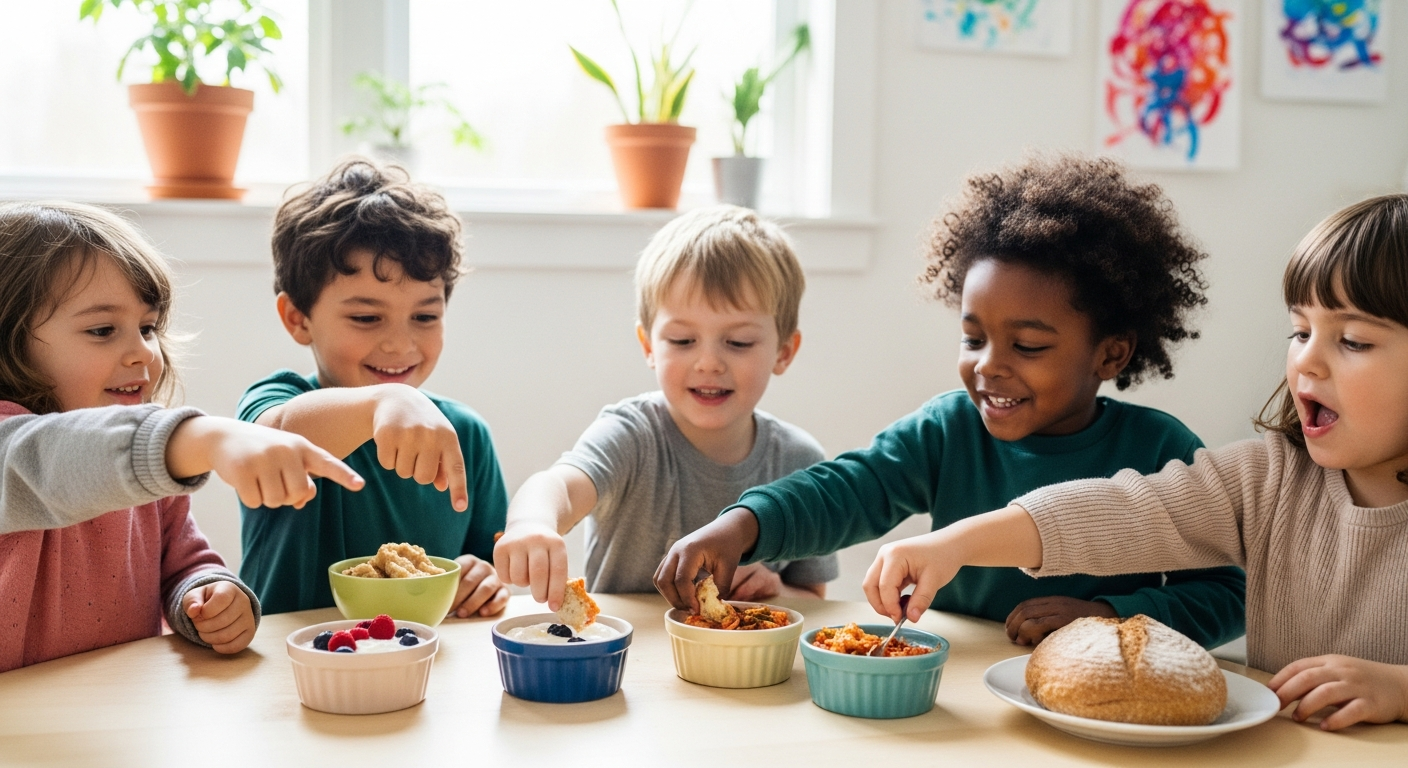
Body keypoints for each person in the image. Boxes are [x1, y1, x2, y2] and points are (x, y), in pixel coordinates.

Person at [863, 194, 1408, 731]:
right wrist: (955, 543)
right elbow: (1123, 511)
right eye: (1301, 331)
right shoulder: (1267, 477)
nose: (1307, 359)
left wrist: (1401, 690)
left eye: (1353, 340)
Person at [656, 155, 1245, 648]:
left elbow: (1229, 593)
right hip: (958, 681)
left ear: (1110, 355)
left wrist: (1114, 617)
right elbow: (848, 488)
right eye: (973, 338)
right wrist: (742, 526)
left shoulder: (1161, 450)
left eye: (1028, 345)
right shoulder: (948, 429)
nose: (988, 364)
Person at [0, 201, 363, 673]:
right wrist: (201, 438)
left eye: (148, 328)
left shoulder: (153, 464)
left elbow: (183, 565)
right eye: (103, 330)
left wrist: (208, 594)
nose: (143, 353)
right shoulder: (33, 449)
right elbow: (51, 460)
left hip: (117, 713)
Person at [494, 205, 837, 609]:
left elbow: (814, 597)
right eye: (682, 341)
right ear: (648, 346)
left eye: (739, 342)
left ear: (784, 351)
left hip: (747, 671)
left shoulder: (801, 463)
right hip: (628, 664)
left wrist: (774, 589)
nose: (708, 362)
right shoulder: (630, 435)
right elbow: (559, 487)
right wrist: (530, 522)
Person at [237, 159, 509, 616]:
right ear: (297, 318)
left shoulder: (467, 435)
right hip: (294, 669)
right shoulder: (277, 401)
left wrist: (486, 578)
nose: (400, 343)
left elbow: (493, 558)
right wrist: (387, 400)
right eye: (366, 317)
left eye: (425, 316)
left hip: (417, 666)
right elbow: (271, 437)